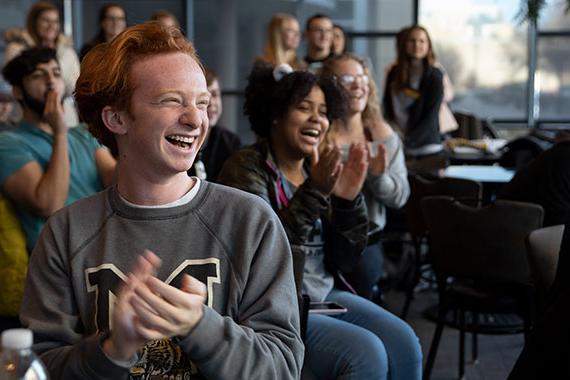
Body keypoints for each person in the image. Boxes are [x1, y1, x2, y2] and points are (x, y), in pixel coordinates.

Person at [19, 22, 303, 379]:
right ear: (116, 118)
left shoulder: (250, 221)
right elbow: (39, 368)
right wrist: (113, 349)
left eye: (201, 102)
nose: (195, 119)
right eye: (172, 101)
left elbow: (281, 369)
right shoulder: (66, 232)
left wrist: (200, 326)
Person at [219, 64, 422, 380]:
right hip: (271, 306)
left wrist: (346, 201)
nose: (318, 119)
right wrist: (315, 191)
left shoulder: (320, 168)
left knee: (405, 341)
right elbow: (264, 251)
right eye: (304, 108)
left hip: (324, 295)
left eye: (325, 112)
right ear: (275, 114)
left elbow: (346, 259)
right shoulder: (246, 167)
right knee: (367, 354)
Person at [0, 47, 116, 252]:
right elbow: (49, 204)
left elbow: (117, 181)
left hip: (106, 245)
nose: (50, 80)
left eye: (56, 73)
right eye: (38, 75)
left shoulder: (83, 133)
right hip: (59, 257)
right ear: (18, 91)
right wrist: (59, 133)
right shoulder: (9, 143)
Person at [322, 53, 410, 299]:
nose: (358, 84)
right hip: (321, 244)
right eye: (348, 78)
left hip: (366, 247)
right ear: (329, 85)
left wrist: (378, 177)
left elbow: (400, 197)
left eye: (361, 77)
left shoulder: (380, 134)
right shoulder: (317, 133)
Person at [4, 1, 80, 127]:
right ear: (34, 22)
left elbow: (75, 86)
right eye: (46, 20)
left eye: (55, 21)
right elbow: (14, 83)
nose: (52, 26)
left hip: (65, 117)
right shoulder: (17, 49)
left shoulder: (67, 52)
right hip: (27, 117)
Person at [382, 25, 446, 173]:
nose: (417, 45)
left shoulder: (434, 75)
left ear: (428, 45)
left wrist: (407, 143)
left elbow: (431, 115)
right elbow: (387, 107)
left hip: (427, 150)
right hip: (399, 147)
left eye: (422, 41)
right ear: (404, 44)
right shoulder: (393, 73)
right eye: (412, 41)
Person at [499, 134, 570, 227]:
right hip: (519, 228)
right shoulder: (561, 157)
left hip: (520, 221)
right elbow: (557, 215)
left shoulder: (557, 154)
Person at [188, 68, 241, 182]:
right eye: (204, 98)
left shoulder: (230, 142)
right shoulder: (181, 140)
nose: (211, 103)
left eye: (215, 94)